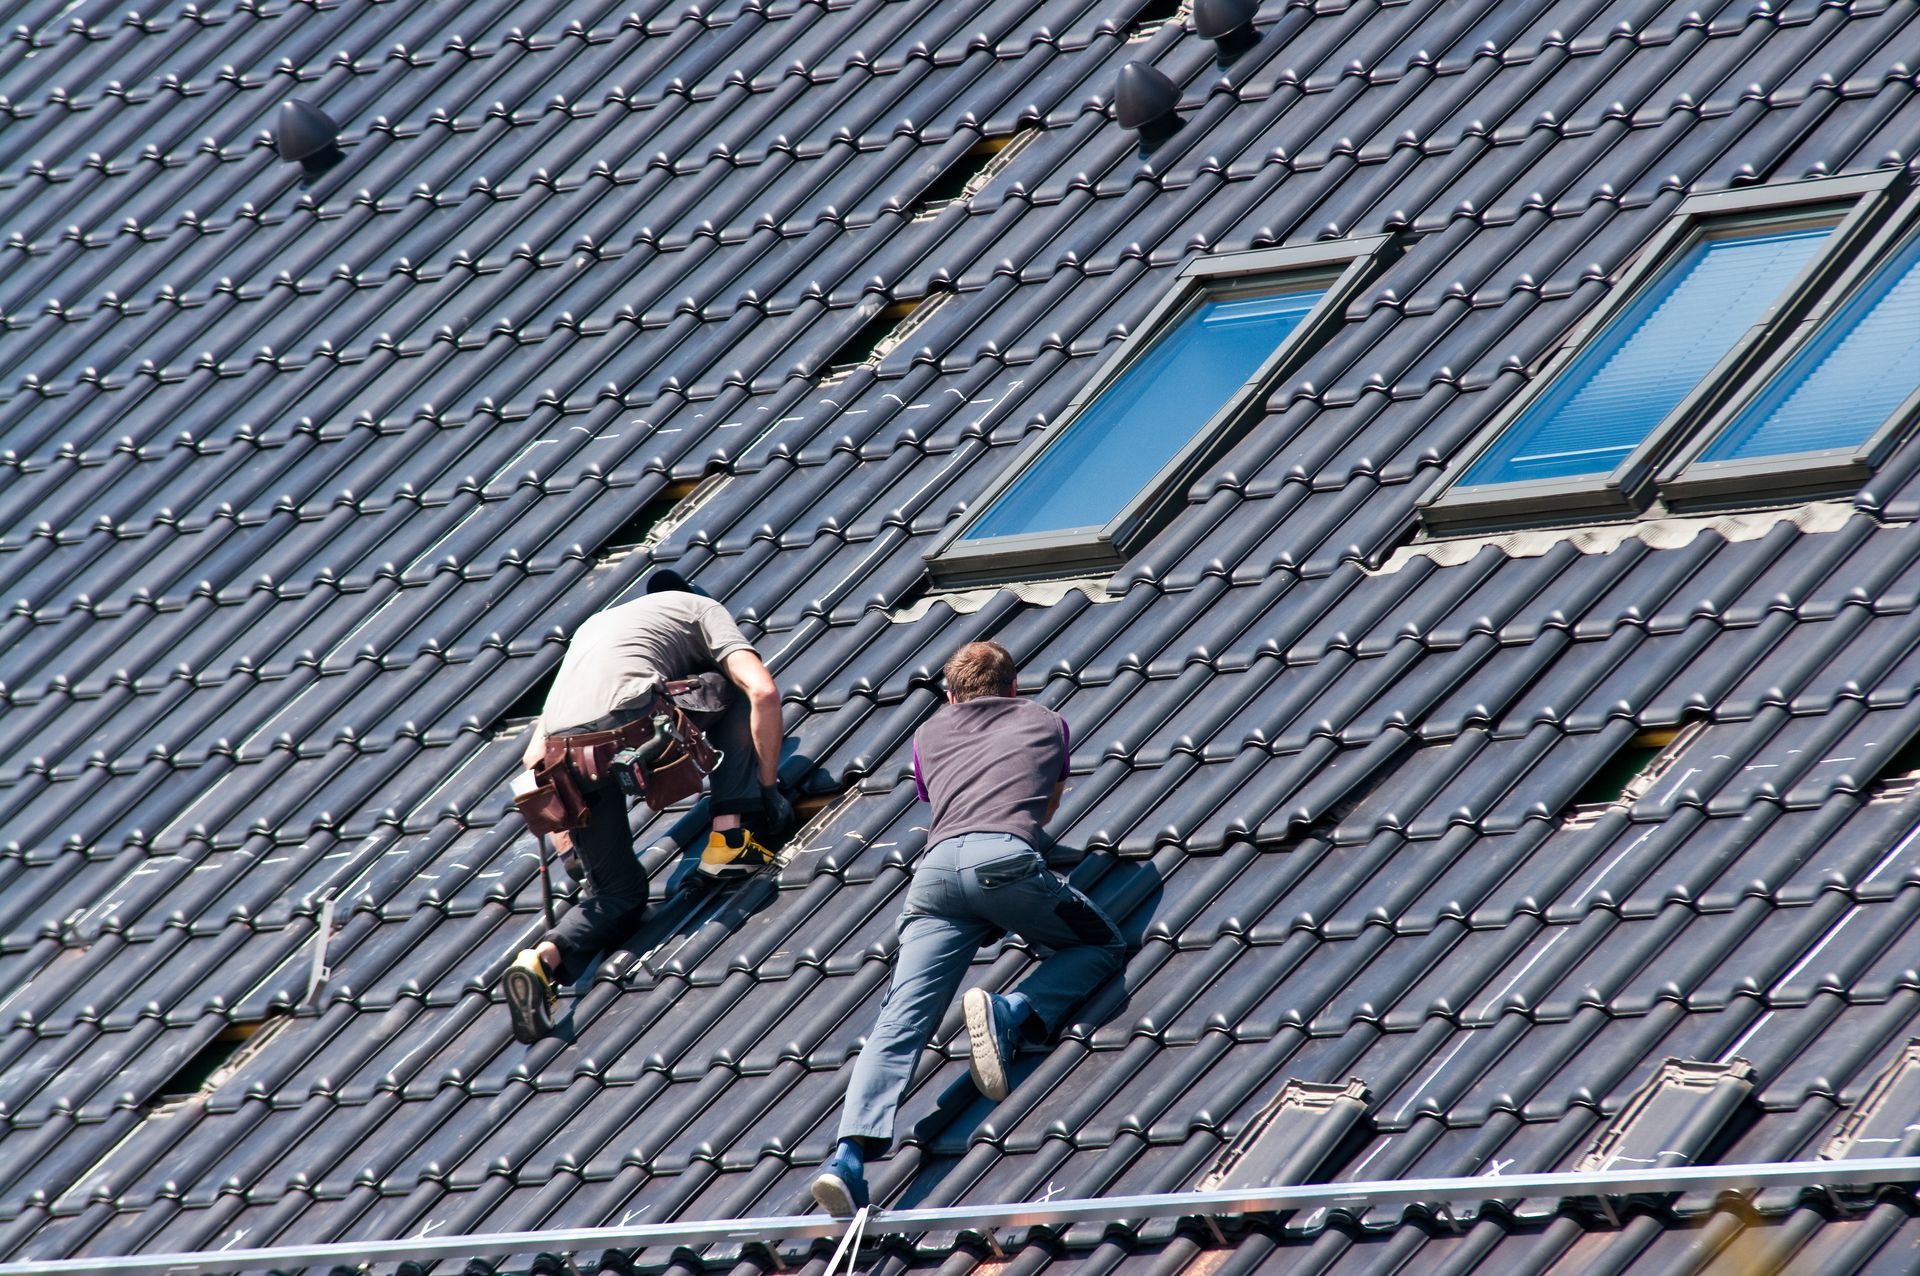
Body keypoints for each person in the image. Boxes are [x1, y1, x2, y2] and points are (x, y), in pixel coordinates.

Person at [810, 641, 1125, 1215]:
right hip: (1004, 862)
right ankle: (1014, 1011)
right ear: (1012, 687)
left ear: (951, 695)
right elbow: (1046, 807)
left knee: (901, 1017)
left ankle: (847, 1157)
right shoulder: (1047, 722)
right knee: (1101, 944)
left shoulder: (927, 733)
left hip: (932, 875)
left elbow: (939, 799)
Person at [500, 570, 795, 1043]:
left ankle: (539, 961)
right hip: (632, 721)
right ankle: (730, 837)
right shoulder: (701, 608)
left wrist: (572, 849)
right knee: (730, 686)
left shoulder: (595, 628)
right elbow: (762, 691)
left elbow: (535, 760)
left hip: (564, 753)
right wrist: (766, 788)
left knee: (618, 895)